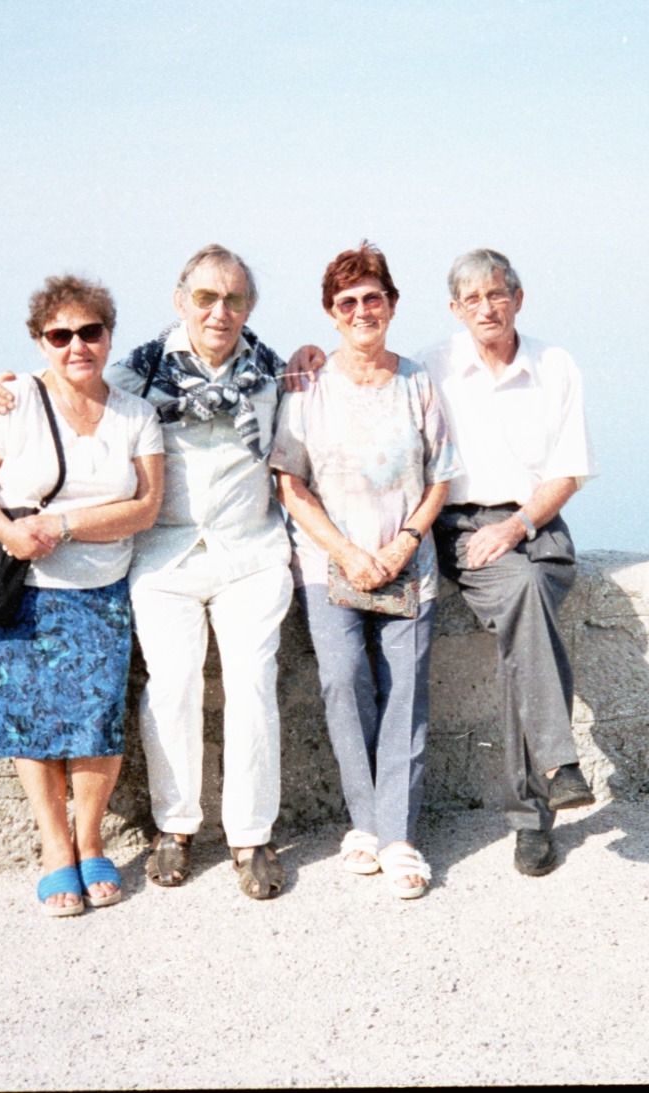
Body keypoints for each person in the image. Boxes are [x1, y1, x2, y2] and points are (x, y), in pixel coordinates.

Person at [0, 245, 297, 900]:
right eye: (205, 297)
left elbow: (314, 428)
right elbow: (67, 385)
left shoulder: (277, 376)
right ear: (180, 301)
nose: (219, 310)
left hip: (249, 554)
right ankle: (174, 826)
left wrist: (317, 357)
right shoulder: (135, 375)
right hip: (162, 555)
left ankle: (250, 836)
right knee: (171, 685)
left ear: (249, 307)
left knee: (252, 683)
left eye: (234, 298)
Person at [287, 247, 597, 877]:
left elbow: (568, 469)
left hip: (528, 525)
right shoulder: (432, 363)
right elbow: (304, 457)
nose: (487, 307)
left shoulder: (553, 365)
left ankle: (494, 810)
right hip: (451, 532)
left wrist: (516, 525)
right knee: (517, 602)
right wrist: (305, 354)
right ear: (454, 309)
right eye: (473, 299)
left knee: (525, 600)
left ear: (518, 296)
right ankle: (547, 784)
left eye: (498, 293)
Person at [0, 274, 164, 916]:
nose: (77, 346)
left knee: (96, 726)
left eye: (89, 332)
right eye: (60, 334)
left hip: (100, 589)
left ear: (108, 335)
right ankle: (54, 847)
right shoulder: (13, 403)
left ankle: (91, 840)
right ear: (41, 342)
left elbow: (145, 508)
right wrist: (8, 530)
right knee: (29, 725)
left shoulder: (135, 414)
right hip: (22, 592)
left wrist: (62, 525)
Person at [269, 243, 458, 899]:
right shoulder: (307, 388)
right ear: (330, 312)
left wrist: (404, 542)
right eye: (346, 302)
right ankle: (365, 822)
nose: (360, 310)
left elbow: (441, 476)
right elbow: (291, 485)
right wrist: (346, 552)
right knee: (345, 682)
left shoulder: (418, 382)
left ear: (392, 304)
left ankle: (397, 835)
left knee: (404, 692)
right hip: (330, 566)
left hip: (407, 564)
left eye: (371, 297)